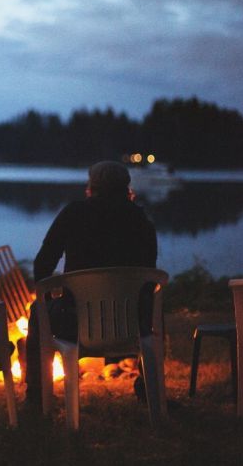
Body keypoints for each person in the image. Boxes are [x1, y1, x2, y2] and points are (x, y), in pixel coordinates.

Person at [25, 160, 158, 405]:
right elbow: (149, 278)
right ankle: (147, 388)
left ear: (92, 186)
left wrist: (47, 300)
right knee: (149, 304)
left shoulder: (74, 213)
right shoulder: (140, 220)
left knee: (37, 313)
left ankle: (36, 396)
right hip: (131, 322)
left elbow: (42, 264)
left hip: (74, 323)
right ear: (126, 187)